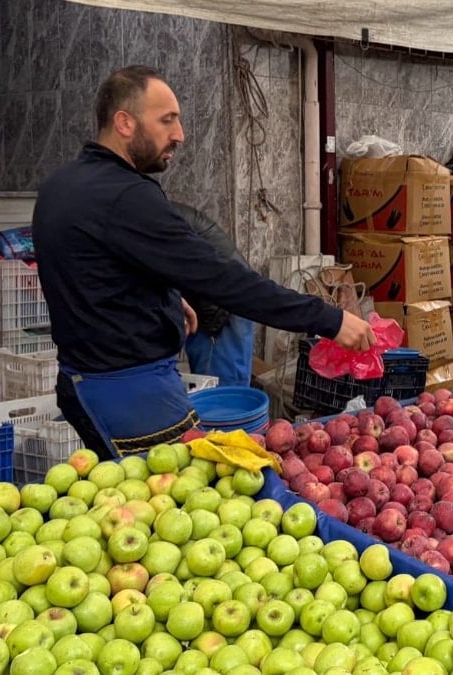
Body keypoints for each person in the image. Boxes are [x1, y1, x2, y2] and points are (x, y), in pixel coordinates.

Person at [33, 65, 376, 459]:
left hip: (80, 382)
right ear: (124, 123)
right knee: (188, 490)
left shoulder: (61, 186)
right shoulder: (128, 197)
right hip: (130, 393)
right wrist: (329, 320)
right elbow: (227, 282)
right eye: (167, 120)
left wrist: (159, 298)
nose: (179, 134)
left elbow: (90, 270)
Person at [172, 202, 256, 388]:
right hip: (219, 301)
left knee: (220, 389)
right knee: (213, 385)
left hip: (220, 310)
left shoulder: (157, 219)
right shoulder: (159, 213)